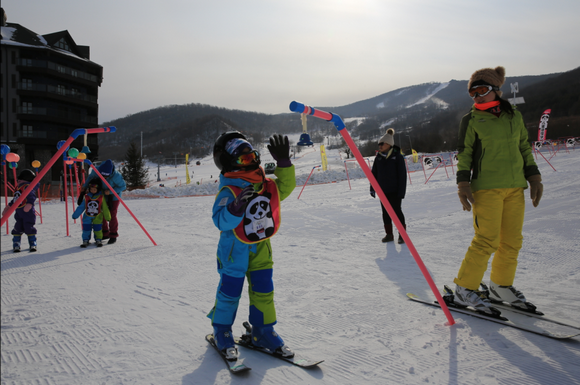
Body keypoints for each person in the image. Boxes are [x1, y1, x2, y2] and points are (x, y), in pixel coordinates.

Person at [453, 66, 543, 315]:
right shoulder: (470, 120)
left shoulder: (514, 115)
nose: (477, 96)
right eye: (473, 92)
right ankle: (465, 288)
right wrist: (463, 183)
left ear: (496, 90)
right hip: (487, 188)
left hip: (515, 187)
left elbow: (524, 147)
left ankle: (500, 286)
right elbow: (465, 154)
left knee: (512, 241)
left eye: (482, 90)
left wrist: (533, 176)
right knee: (486, 240)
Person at [208, 131, 296, 360]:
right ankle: (222, 330)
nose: (253, 162)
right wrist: (233, 210)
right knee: (230, 292)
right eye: (244, 159)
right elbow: (219, 220)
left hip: (260, 249)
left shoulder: (264, 185)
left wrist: (284, 164)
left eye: (253, 156)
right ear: (229, 162)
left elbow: (284, 188)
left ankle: (263, 330)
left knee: (263, 290)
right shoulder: (229, 190)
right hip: (233, 251)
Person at [370, 128, 407, 244]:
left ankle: (402, 235)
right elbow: (374, 174)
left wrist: (401, 192)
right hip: (383, 191)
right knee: (385, 213)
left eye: (381, 144)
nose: (379, 146)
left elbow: (402, 176)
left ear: (388, 144)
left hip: (395, 191)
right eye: (379, 144)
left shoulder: (398, 157)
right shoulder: (378, 158)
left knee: (396, 211)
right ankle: (389, 234)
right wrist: (372, 188)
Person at [81, 159, 126, 244]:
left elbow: (123, 187)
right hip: (101, 194)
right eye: (102, 175)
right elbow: (90, 178)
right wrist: (85, 186)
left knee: (111, 214)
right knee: (101, 213)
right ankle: (104, 232)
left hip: (114, 196)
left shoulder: (116, 176)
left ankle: (113, 234)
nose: (104, 177)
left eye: (106, 176)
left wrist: (111, 191)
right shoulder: (96, 170)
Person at [2, 169, 39, 252]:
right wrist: (8, 207)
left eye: (18, 180)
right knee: (17, 227)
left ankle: (32, 242)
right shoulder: (19, 188)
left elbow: (32, 196)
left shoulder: (26, 186)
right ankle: (16, 243)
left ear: (24, 180)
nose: (17, 181)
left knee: (28, 226)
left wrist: (29, 204)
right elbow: (15, 199)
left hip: (28, 212)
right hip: (19, 212)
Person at [72, 179, 111, 248]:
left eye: (94, 189)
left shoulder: (101, 197)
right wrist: (76, 215)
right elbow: (81, 207)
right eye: (91, 189)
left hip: (98, 216)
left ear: (98, 189)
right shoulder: (86, 197)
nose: (92, 191)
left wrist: (107, 217)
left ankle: (98, 240)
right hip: (87, 216)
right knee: (86, 229)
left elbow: (105, 208)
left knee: (98, 229)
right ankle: (85, 240)